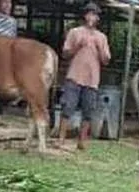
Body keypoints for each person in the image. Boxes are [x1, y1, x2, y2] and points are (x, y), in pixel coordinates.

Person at [58, 2, 111, 151]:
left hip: (92, 80)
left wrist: (100, 48)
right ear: (85, 15)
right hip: (74, 76)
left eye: (94, 14)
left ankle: (82, 141)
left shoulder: (102, 37)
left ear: (97, 18)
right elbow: (65, 53)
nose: (92, 17)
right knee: (67, 107)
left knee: (88, 112)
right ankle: (61, 139)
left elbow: (106, 60)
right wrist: (77, 46)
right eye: (89, 13)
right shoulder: (75, 32)